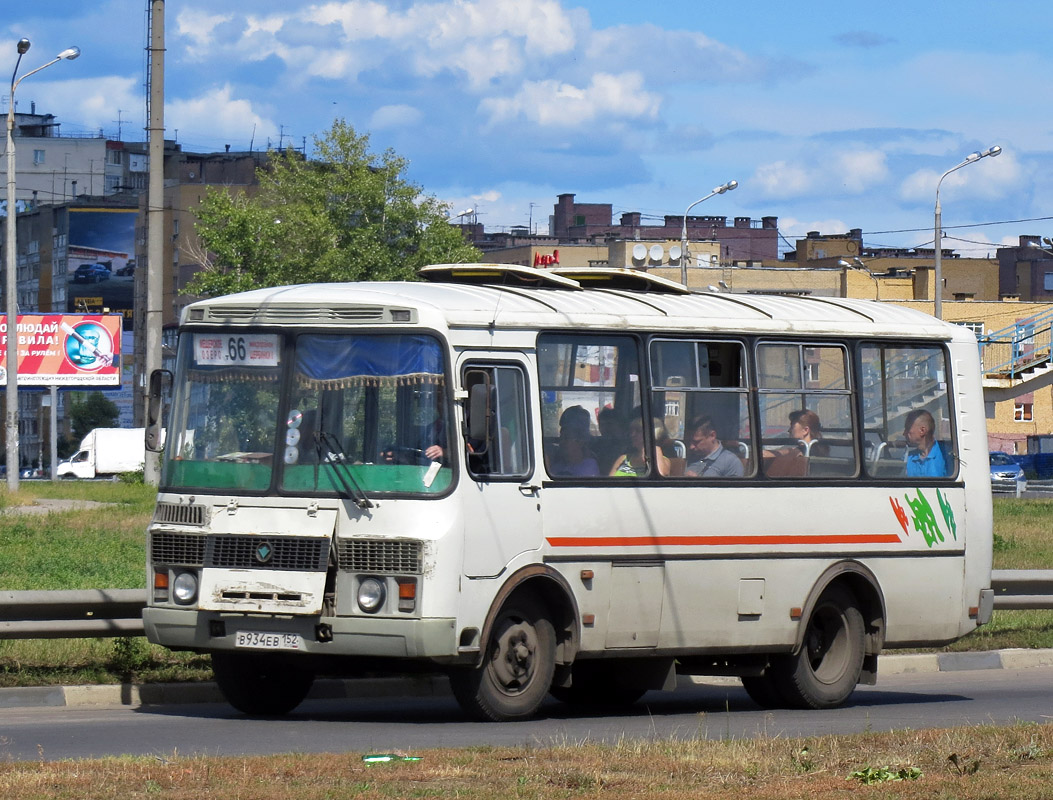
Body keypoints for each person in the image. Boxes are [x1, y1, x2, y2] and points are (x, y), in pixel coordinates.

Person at [904, 409, 946, 477]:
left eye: (907, 429)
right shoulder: (907, 457)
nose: (904, 433)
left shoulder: (945, 455)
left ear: (922, 431)